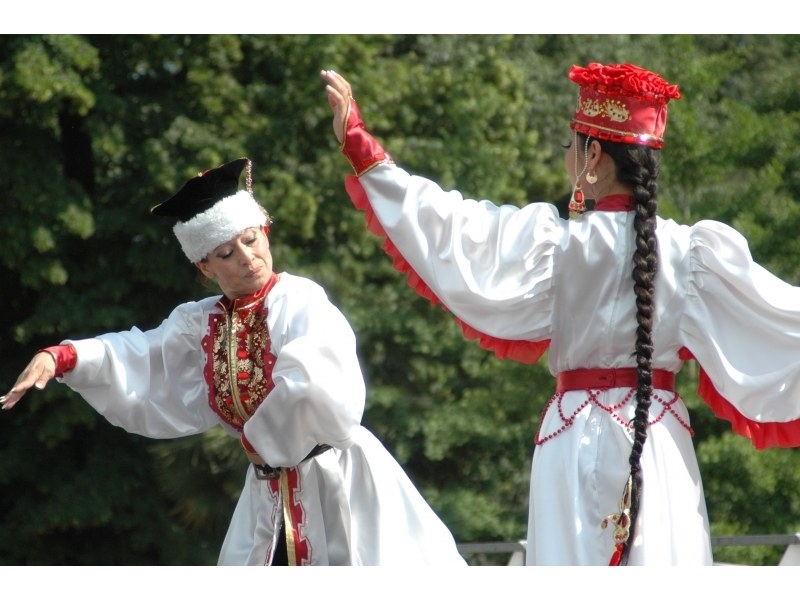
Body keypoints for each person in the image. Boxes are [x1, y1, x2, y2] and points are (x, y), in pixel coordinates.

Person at [320, 64, 800, 566]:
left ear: (593, 155)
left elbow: (453, 231)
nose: (568, 159)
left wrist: (360, 145)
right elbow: (778, 317)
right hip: (656, 440)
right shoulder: (693, 253)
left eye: (571, 148)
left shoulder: (554, 244)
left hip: (571, 440)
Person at [0, 157, 467, 566]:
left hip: (338, 484)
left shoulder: (298, 299)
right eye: (227, 252)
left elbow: (316, 382)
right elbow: (141, 356)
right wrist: (61, 356)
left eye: (251, 240)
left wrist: (262, 439)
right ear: (205, 266)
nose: (247, 258)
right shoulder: (197, 323)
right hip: (268, 495)